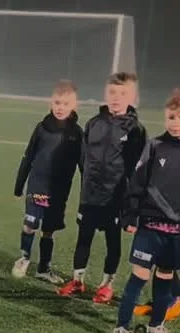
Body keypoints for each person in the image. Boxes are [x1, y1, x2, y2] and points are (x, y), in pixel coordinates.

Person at [59, 72, 146, 304]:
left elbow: (138, 169)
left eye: (122, 94)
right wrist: (86, 183)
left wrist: (132, 203)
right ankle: (77, 280)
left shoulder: (135, 129)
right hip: (90, 195)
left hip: (115, 198)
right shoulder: (94, 123)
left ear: (132, 97)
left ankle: (106, 285)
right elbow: (83, 159)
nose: (116, 98)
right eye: (112, 93)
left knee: (112, 242)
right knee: (84, 238)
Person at [109, 89, 180, 333]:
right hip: (150, 227)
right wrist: (130, 215)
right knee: (138, 276)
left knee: (165, 278)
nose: (175, 123)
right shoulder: (155, 146)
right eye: (171, 117)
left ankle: (156, 325)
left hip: (176, 231)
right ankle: (121, 328)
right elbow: (136, 183)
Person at [12, 80, 83, 284]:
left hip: (59, 190)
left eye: (65, 104)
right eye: (57, 103)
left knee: (49, 230)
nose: (60, 107)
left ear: (74, 106)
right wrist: (19, 185)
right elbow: (28, 156)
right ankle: (24, 258)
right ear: (51, 103)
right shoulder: (42, 128)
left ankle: (44, 268)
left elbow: (83, 165)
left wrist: (87, 193)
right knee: (30, 224)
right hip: (38, 184)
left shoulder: (77, 133)